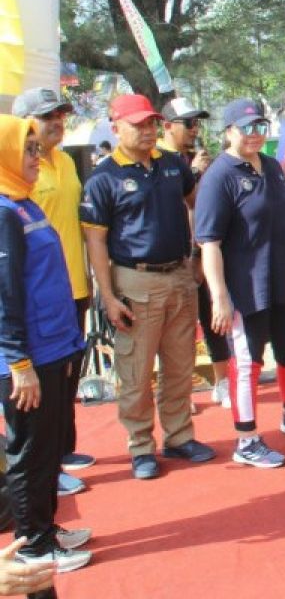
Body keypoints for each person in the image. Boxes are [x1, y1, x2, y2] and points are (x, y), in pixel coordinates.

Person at [80, 95, 215, 480]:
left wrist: (198, 253)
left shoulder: (173, 164)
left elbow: (197, 203)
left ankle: (178, 436)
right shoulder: (103, 177)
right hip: (134, 280)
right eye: (137, 124)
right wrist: (106, 296)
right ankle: (141, 446)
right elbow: (96, 242)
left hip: (179, 276)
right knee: (136, 371)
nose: (147, 131)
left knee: (180, 366)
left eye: (151, 123)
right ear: (116, 128)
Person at [195, 99, 285, 468]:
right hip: (245, 286)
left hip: (283, 279)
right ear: (229, 131)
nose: (254, 135)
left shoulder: (272, 167)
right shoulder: (219, 177)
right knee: (247, 362)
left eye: (260, 127)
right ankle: (246, 439)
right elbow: (209, 243)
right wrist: (219, 296)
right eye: (246, 128)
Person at [0, 113, 91, 573]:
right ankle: (32, 543)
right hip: (27, 359)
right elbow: (4, 296)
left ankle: (46, 527)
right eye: (28, 149)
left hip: (54, 349)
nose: (37, 157)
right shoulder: (2, 212)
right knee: (29, 453)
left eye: (37, 148)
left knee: (50, 449)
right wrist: (18, 362)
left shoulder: (24, 202)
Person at [12, 88, 95, 494]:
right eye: (48, 117)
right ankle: (45, 467)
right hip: (34, 297)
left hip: (72, 287)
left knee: (67, 380)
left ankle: (62, 450)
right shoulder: (17, 170)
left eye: (61, 115)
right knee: (38, 391)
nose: (57, 123)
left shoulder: (64, 161)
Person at [159, 97, 231, 409]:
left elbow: (204, 210)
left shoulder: (193, 161)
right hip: (170, 259)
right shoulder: (158, 162)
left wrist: (200, 254)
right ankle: (180, 391)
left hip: (202, 253)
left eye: (197, 123)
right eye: (188, 123)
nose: (194, 129)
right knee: (177, 331)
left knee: (214, 317)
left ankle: (223, 382)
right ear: (167, 126)